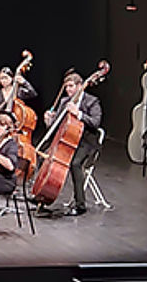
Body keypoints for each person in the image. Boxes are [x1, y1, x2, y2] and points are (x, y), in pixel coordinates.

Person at [38, 68, 103, 217]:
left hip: (87, 143)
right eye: (66, 87)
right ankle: (42, 196)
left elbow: (95, 122)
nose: (68, 90)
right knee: (44, 156)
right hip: (68, 140)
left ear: (80, 86)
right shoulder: (64, 101)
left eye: (71, 86)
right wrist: (49, 121)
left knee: (75, 164)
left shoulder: (92, 101)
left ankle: (80, 204)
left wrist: (78, 113)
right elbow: (57, 125)